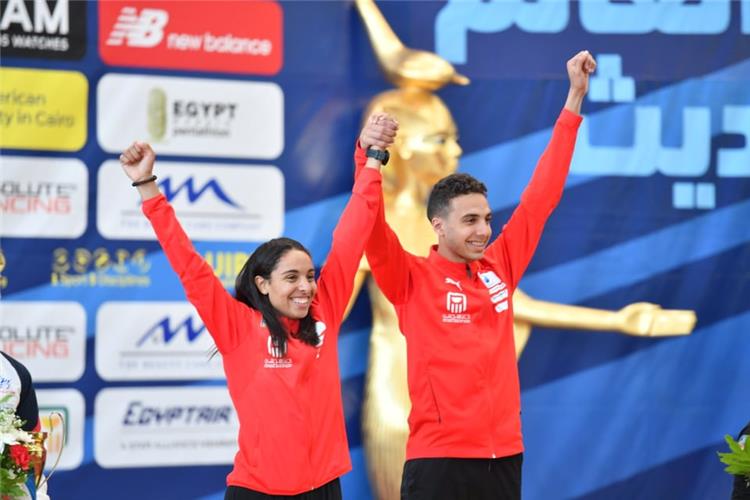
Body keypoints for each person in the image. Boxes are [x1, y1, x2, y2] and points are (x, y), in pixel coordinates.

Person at [353, 50, 596, 499]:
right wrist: (368, 158)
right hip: (438, 459)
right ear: (439, 226)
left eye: (486, 219)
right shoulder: (410, 278)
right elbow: (368, 226)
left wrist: (574, 99)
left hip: (503, 456)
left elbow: (541, 197)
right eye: (469, 221)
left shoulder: (500, 266)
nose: (483, 230)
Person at [117, 113, 398, 499]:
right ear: (263, 284)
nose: (306, 288)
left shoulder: (325, 310)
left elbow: (354, 229)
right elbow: (187, 264)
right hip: (258, 491)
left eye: (310, 276)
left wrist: (371, 158)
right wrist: (146, 185)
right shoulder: (236, 325)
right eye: (292, 278)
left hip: (323, 489)